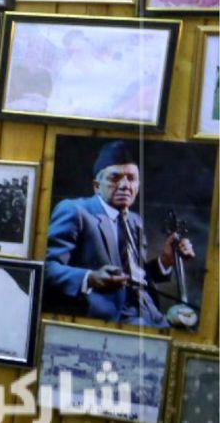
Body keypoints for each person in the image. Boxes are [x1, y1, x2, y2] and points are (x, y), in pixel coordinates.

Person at [42, 140, 194, 328]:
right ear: (97, 186)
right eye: (115, 178)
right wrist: (91, 278)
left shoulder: (135, 221)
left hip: (152, 314)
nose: (124, 185)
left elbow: (135, 276)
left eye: (131, 178)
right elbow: (46, 268)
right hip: (109, 318)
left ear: (138, 185)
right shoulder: (75, 211)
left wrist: (165, 260)